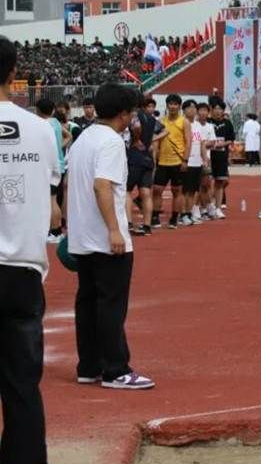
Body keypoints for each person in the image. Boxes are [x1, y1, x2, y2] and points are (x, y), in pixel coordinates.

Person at [0, 37, 61, 464]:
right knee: (21, 387)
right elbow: (52, 192)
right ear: (14, 72)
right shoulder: (42, 130)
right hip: (21, 270)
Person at [65, 83, 155, 391]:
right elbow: (102, 186)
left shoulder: (82, 139)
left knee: (87, 303)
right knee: (111, 304)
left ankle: (89, 366)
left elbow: (71, 185)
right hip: (105, 239)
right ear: (123, 114)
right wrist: (115, 229)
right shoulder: (112, 142)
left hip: (83, 236)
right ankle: (116, 369)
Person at [151, 94, 190, 229]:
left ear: (179, 106)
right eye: (170, 104)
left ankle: (174, 218)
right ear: (167, 106)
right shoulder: (161, 121)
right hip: (162, 161)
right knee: (157, 190)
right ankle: (155, 216)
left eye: (175, 104)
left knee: (177, 191)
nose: (173, 107)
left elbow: (188, 141)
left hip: (178, 161)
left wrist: (185, 160)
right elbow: (156, 140)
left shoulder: (184, 122)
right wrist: (154, 158)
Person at [34, 99, 68, 243]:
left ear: (38, 110)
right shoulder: (56, 122)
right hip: (58, 164)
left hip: (50, 166)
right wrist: (59, 147)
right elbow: (69, 136)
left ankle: (55, 232)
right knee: (53, 199)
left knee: (51, 200)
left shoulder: (42, 125)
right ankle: (55, 230)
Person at [125, 96, 158, 236]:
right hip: (147, 159)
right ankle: (147, 226)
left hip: (134, 158)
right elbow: (162, 131)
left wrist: (136, 140)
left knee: (126, 191)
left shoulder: (134, 116)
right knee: (145, 193)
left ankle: (128, 223)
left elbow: (136, 127)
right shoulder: (152, 119)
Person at [208, 100, 235, 218]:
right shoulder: (207, 122)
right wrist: (211, 144)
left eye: (220, 109)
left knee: (220, 182)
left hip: (221, 157)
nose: (218, 111)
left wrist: (222, 144)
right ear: (211, 110)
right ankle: (207, 206)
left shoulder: (227, 123)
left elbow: (230, 139)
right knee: (206, 183)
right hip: (208, 157)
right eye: (216, 108)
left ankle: (218, 208)